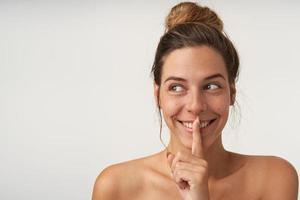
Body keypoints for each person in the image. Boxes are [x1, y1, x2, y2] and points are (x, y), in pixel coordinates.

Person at [92, 2, 298, 200]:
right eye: (177, 87)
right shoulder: (115, 187)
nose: (196, 106)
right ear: (158, 96)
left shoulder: (274, 178)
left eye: (211, 86)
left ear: (232, 93)